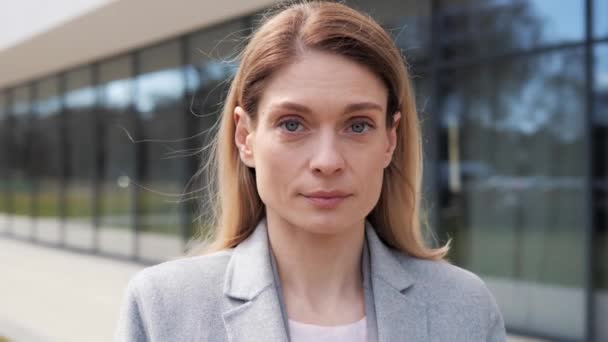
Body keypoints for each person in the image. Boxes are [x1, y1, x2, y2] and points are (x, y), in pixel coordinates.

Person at [114, 1, 506, 341]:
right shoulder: (163, 307)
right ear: (245, 137)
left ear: (390, 140)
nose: (327, 161)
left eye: (357, 125)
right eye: (292, 124)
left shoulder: (465, 307)